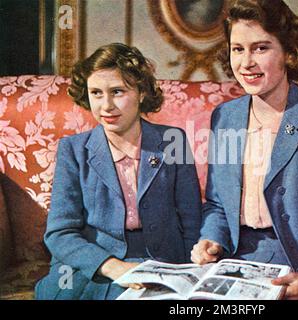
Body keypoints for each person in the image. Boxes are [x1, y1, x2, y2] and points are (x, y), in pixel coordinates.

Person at [190, 0, 298, 299]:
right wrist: (211, 239)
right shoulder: (225, 117)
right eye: (238, 49)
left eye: (261, 48)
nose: (246, 62)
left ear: (288, 52)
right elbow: (218, 205)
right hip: (235, 260)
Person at [35, 43, 202, 300]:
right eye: (96, 93)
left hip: (158, 261)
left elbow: (191, 220)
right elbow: (59, 233)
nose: (106, 106)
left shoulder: (172, 141)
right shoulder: (73, 150)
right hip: (90, 265)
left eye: (117, 91)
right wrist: (115, 268)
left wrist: (191, 273)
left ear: (142, 93)